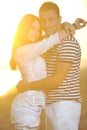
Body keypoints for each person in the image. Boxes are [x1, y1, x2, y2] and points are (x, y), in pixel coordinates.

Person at [16, 2, 87, 130]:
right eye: (43, 21)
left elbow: (56, 80)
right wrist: (71, 25)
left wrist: (27, 86)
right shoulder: (48, 41)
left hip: (64, 105)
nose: (46, 25)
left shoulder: (68, 42)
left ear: (59, 19)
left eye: (50, 20)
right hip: (50, 105)